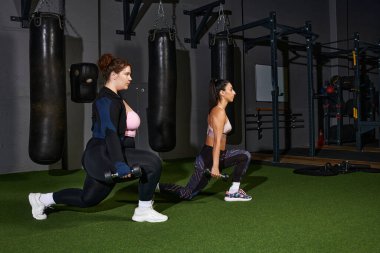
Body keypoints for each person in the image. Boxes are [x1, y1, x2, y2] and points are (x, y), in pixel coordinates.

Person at [28, 53, 168, 222]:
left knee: (87, 199)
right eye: (127, 74)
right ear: (114, 75)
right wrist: (119, 163)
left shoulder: (114, 97)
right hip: (103, 153)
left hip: (111, 150)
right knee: (152, 163)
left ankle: (41, 199)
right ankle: (144, 210)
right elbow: (109, 132)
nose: (130, 78)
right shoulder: (105, 100)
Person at [158, 79, 252, 201]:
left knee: (244, 155)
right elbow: (216, 141)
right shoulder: (218, 112)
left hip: (219, 154)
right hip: (208, 157)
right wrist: (215, 167)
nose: (234, 92)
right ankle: (157, 187)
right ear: (222, 93)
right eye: (231, 89)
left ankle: (233, 192)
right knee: (186, 194)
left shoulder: (220, 110)